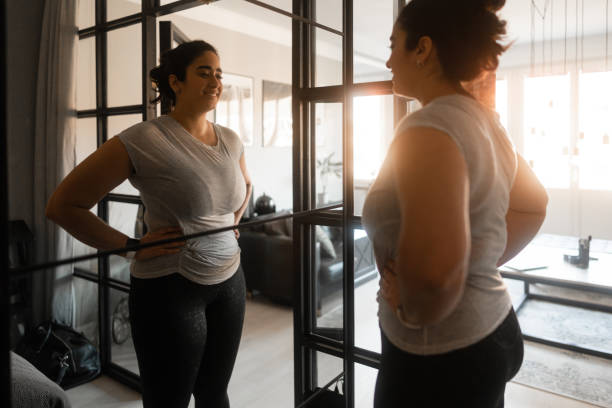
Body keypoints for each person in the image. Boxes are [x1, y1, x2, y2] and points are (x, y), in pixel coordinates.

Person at [361, 1, 549, 407]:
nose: (390, 59)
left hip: (439, 356)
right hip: (491, 327)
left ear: (423, 49)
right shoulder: (486, 120)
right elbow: (534, 206)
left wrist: (411, 305)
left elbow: (431, 280)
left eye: (395, 45)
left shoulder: (425, 127)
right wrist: (475, 262)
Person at [46, 40, 252, 408]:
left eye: (219, 74)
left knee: (214, 394)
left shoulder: (232, 140)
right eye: (204, 72)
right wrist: (130, 246)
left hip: (230, 283)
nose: (215, 82)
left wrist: (229, 222)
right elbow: (63, 205)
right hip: (170, 289)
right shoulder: (145, 139)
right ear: (176, 82)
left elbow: (245, 186)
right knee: (166, 402)